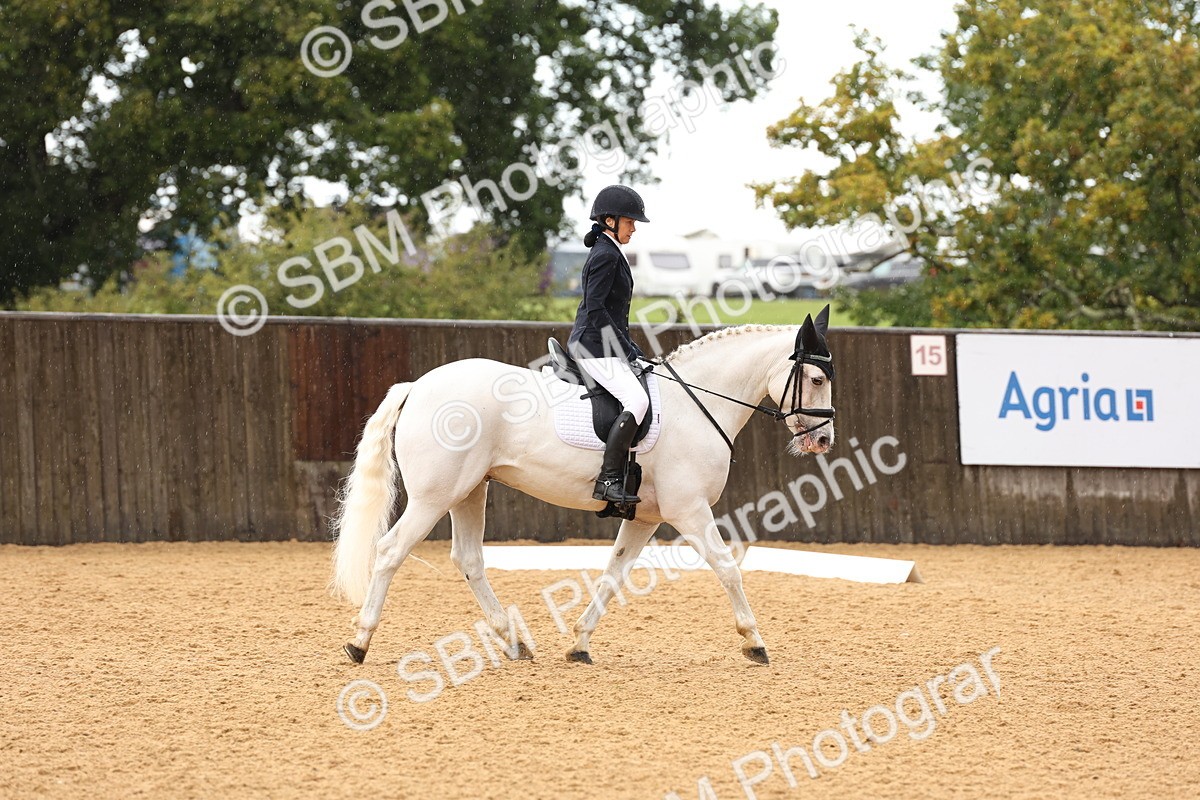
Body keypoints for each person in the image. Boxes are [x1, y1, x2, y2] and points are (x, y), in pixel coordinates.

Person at [567, 185, 651, 506]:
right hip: (593, 347)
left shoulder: (611, 250)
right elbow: (596, 309)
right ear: (610, 220)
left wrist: (631, 347)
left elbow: (615, 314)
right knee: (637, 400)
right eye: (630, 221)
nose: (633, 228)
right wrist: (623, 348)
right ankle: (609, 478)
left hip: (602, 344)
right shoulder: (604, 254)